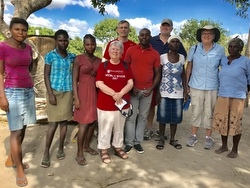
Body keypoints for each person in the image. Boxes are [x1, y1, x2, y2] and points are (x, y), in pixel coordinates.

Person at [0, 17, 36, 187]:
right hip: (12, 92)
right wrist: (1, 96)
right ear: (11, 30)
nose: (21, 33)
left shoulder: (28, 48)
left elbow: (28, 68)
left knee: (23, 129)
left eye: (24, 30)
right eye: (17, 29)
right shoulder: (2, 47)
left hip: (28, 90)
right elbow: (0, 74)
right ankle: (19, 168)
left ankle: (12, 159)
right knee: (15, 132)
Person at [144, 18, 187, 140]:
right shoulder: (152, 40)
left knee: (167, 106)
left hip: (170, 82)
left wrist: (185, 89)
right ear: (160, 27)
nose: (165, 27)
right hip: (153, 78)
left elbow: (182, 64)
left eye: (168, 26)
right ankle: (149, 128)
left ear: (171, 28)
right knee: (152, 105)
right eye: (163, 25)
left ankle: (162, 132)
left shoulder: (177, 43)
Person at [185, 25, 225, 149]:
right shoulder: (194, 48)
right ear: (200, 36)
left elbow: (222, 68)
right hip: (196, 85)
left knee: (210, 111)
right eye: (204, 34)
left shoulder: (220, 49)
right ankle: (193, 135)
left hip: (213, 86)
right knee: (196, 110)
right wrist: (186, 84)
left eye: (209, 34)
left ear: (214, 36)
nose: (206, 36)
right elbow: (189, 66)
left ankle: (208, 137)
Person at [41, 29, 76, 168]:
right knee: (53, 123)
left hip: (67, 92)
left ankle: (61, 148)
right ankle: (46, 153)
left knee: (63, 123)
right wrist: (50, 94)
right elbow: (46, 75)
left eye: (65, 40)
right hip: (54, 92)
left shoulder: (72, 56)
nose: (63, 43)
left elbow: (82, 63)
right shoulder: (50, 56)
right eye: (60, 40)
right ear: (56, 41)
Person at [124, 28, 161, 154]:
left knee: (143, 117)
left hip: (147, 91)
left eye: (147, 35)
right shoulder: (131, 50)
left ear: (150, 37)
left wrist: (151, 88)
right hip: (133, 90)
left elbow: (157, 73)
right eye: (142, 35)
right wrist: (131, 85)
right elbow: (125, 68)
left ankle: (137, 142)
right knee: (131, 117)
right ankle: (129, 142)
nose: (144, 37)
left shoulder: (155, 54)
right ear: (138, 37)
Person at [96, 41, 133, 164]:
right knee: (105, 127)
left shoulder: (126, 66)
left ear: (122, 52)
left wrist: (120, 94)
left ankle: (118, 147)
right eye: (113, 49)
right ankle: (104, 149)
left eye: (118, 49)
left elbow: (130, 83)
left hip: (122, 103)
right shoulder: (103, 66)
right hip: (105, 104)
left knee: (119, 127)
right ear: (109, 51)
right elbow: (99, 83)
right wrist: (113, 94)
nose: (115, 51)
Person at [212, 37, 250, 158]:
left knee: (235, 123)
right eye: (230, 46)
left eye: (236, 47)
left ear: (240, 48)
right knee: (223, 121)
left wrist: (246, 93)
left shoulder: (245, 61)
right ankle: (224, 145)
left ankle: (235, 149)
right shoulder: (223, 60)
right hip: (223, 95)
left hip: (237, 97)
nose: (232, 49)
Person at [72, 34, 101, 165]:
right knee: (84, 123)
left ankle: (86, 146)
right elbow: (74, 79)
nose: (90, 46)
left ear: (95, 44)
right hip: (83, 93)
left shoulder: (99, 61)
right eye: (88, 44)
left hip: (95, 93)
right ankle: (79, 153)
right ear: (84, 45)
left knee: (93, 122)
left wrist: (96, 75)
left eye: (92, 44)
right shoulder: (79, 59)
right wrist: (76, 98)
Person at [156, 35, 187, 150]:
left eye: (177, 42)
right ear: (169, 44)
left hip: (178, 93)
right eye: (172, 42)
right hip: (164, 92)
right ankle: (161, 138)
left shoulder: (182, 58)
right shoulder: (162, 57)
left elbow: (183, 75)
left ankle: (172, 139)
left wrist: (185, 91)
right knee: (162, 116)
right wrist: (158, 91)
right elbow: (159, 74)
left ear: (179, 45)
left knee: (176, 117)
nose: (175, 43)